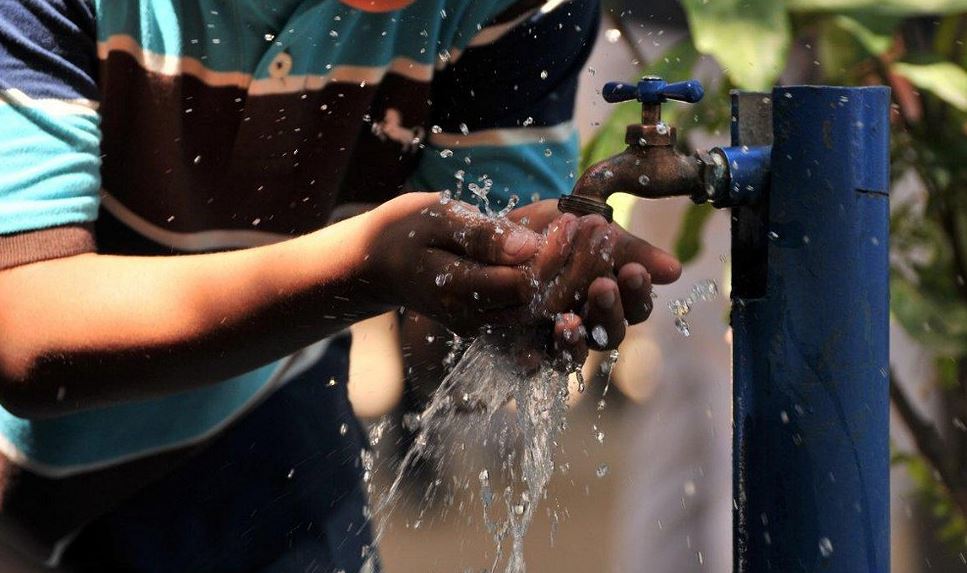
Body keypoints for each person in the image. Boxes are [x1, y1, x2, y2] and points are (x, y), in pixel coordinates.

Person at [0, 0, 681, 571]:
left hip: (255, 414)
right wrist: (360, 268)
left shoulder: (514, 8)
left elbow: (440, 339)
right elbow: (21, 324)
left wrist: (517, 288)